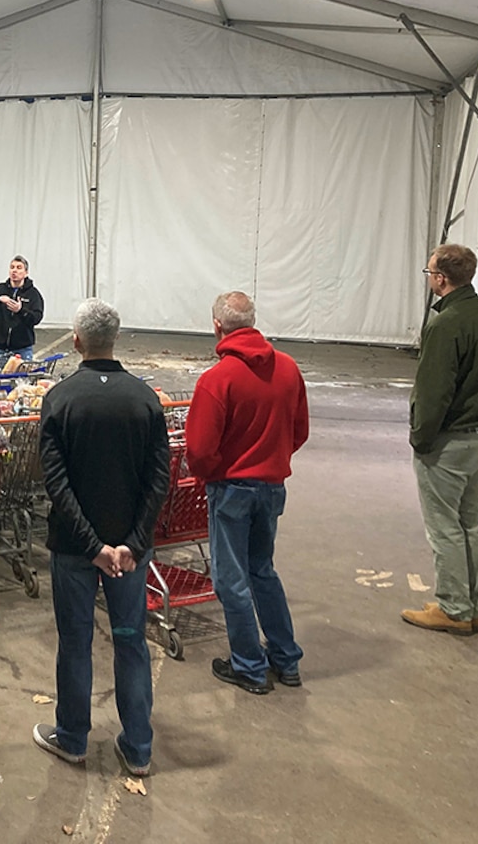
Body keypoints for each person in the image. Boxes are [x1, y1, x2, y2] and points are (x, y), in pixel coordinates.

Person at [33, 298, 168, 778]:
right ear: (116, 339)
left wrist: (92, 546)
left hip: (75, 550)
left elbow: (56, 484)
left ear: (76, 341)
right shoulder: (146, 398)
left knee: (76, 642)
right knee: (131, 641)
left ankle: (72, 737)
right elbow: (158, 481)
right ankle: (138, 746)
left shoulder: (61, 399)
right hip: (131, 554)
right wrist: (132, 542)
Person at [185, 292, 309, 695]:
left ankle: (249, 667)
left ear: (217, 326)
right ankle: (285, 658)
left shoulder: (217, 380)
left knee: (231, 580)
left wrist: (211, 475)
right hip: (272, 488)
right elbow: (299, 430)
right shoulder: (289, 370)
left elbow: (200, 450)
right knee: (262, 571)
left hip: (231, 489)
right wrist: (272, 459)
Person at [402, 244, 478, 636]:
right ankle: (470, 606)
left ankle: (452, 607)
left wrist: (421, 438)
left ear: (440, 278)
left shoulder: (445, 324)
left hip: (452, 441)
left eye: (429, 271)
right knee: (471, 524)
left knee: (444, 526)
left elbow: (434, 391)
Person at [0, 255, 44, 364]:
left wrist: (20, 311)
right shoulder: (0, 289)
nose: (14, 271)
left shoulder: (33, 294)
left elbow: (36, 318)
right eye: (12, 267)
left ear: (26, 272)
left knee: (21, 380)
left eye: (19, 268)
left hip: (22, 349)